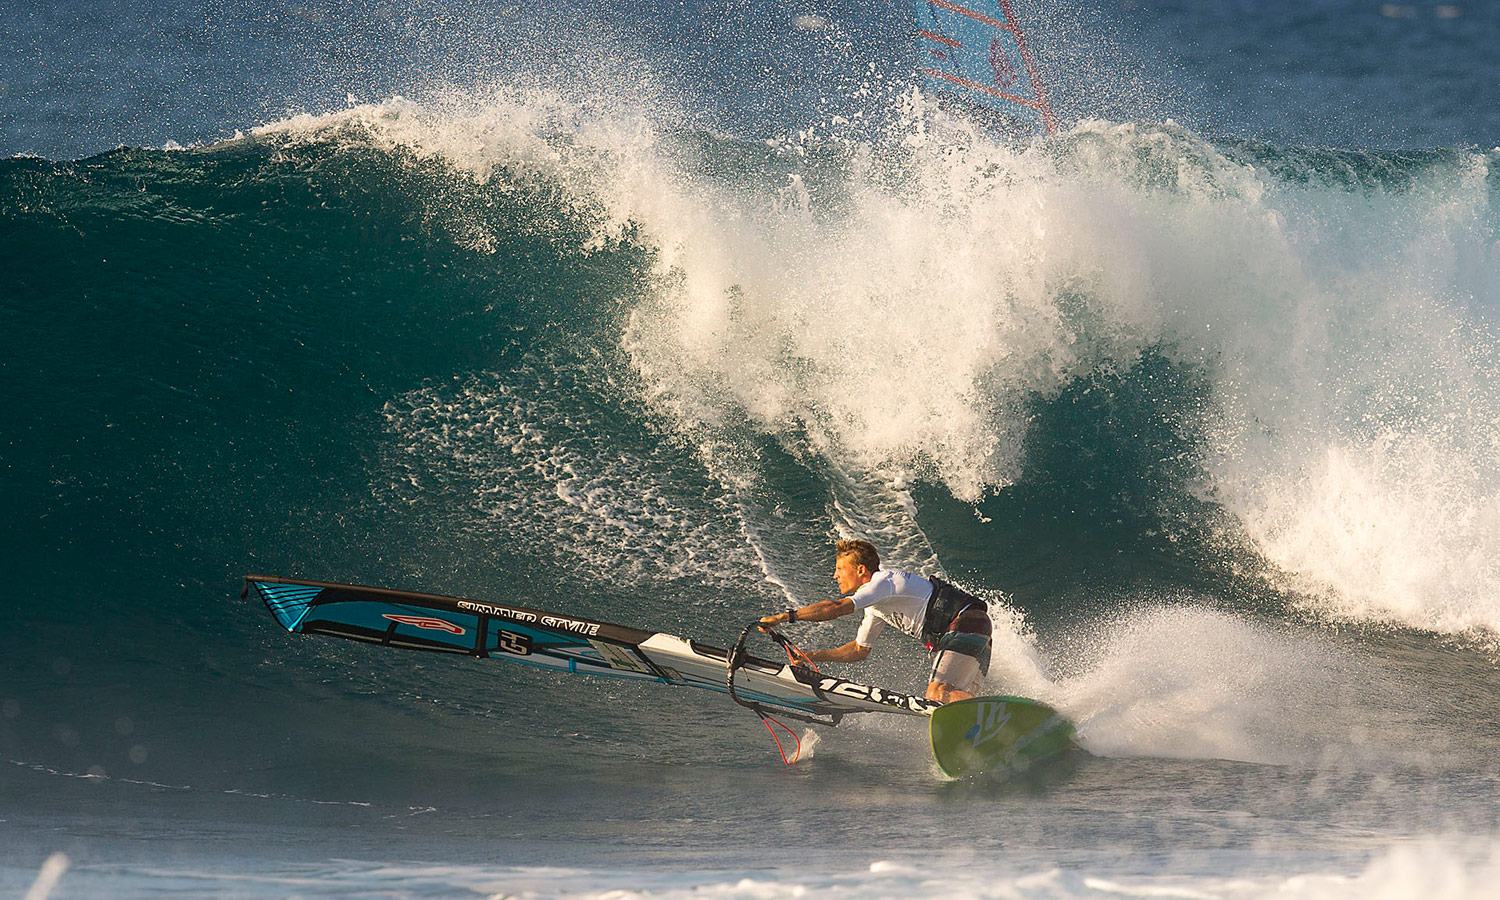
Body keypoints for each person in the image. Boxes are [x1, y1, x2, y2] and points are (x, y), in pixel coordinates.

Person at [759, 539, 993, 703]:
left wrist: (785, 617)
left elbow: (836, 608)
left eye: (840, 568)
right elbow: (859, 650)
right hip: (974, 628)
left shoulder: (883, 583)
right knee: (957, 701)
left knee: (937, 693)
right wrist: (812, 656)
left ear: (860, 570)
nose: (835, 575)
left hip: (964, 624)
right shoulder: (876, 605)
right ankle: (995, 733)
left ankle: (1020, 721)